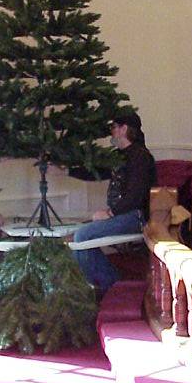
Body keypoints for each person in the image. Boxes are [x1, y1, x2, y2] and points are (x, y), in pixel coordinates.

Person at [70, 112, 157, 295]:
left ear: (124, 129)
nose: (111, 131)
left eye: (114, 127)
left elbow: (136, 196)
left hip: (136, 216)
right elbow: (95, 172)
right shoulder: (119, 156)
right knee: (79, 236)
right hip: (123, 214)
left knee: (82, 236)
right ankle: (108, 283)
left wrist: (110, 213)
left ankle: (110, 285)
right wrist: (67, 170)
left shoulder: (140, 157)